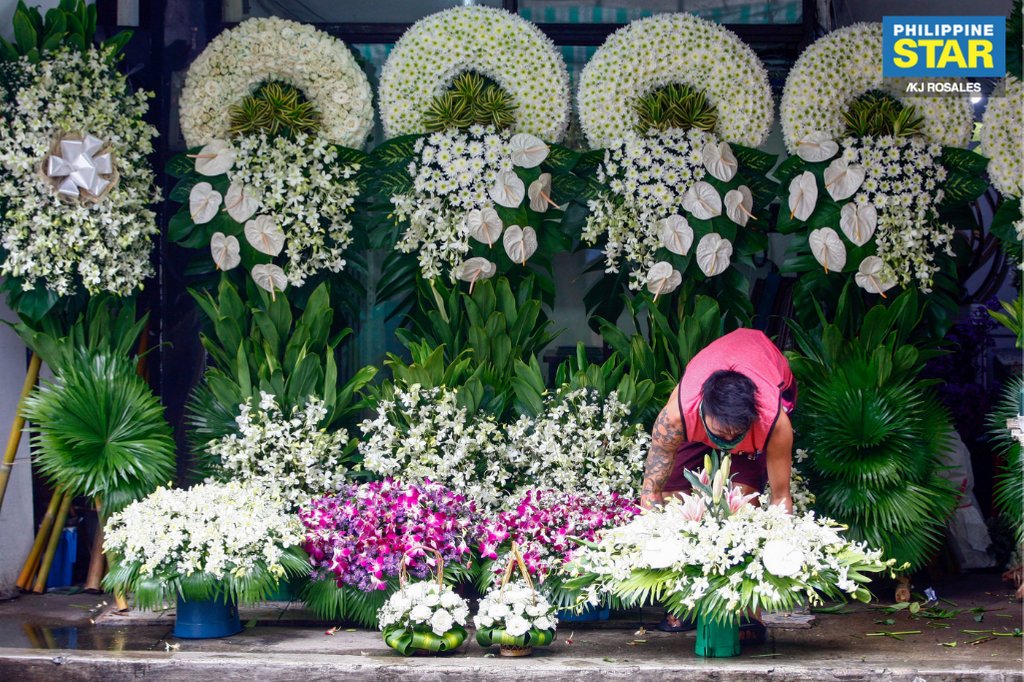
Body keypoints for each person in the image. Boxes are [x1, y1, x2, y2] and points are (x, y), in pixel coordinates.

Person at [639, 328, 798, 640]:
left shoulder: (774, 423)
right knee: (673, 499)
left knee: (744, 505)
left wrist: (780, 551)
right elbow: (652, 489)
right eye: (720, 434)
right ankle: (684, 598)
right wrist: (656, 543)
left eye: (734, 435)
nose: (726, 441)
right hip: (700, 416)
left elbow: (780, 498)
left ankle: (747, 608)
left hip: (771, 380)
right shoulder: (676, 416)